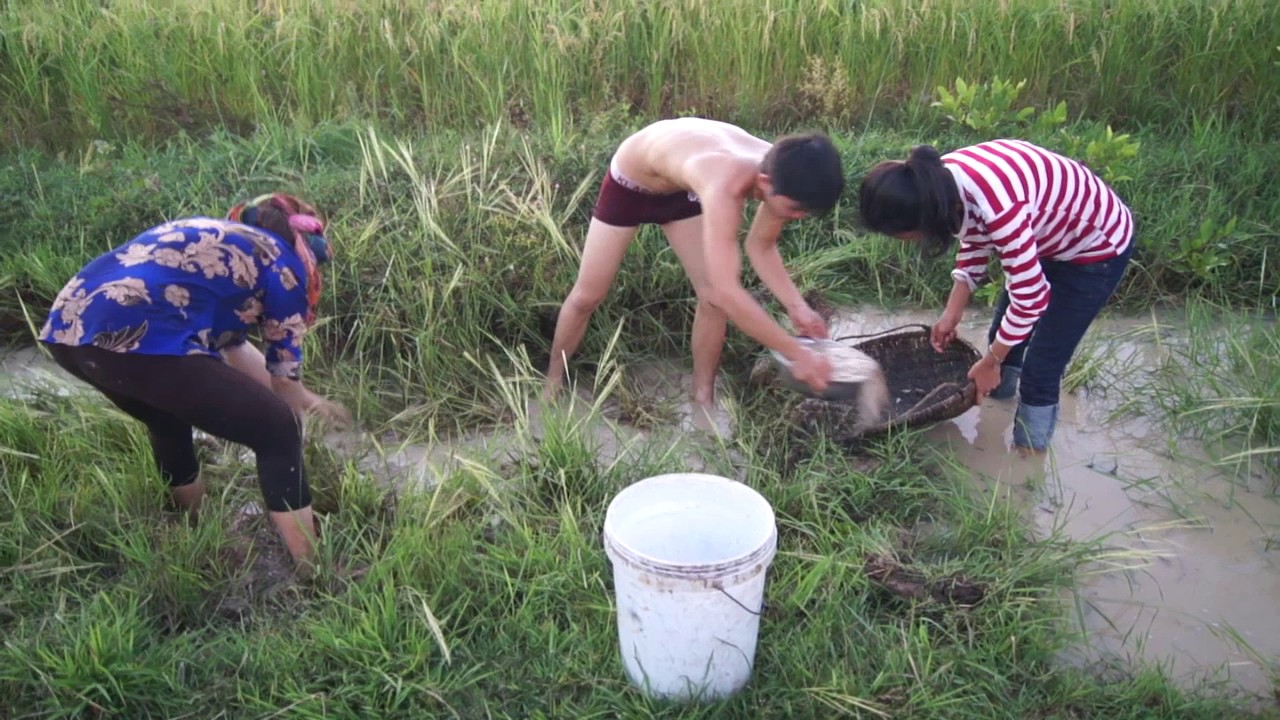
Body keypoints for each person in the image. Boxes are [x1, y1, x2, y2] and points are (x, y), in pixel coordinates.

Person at [37, 193, 352, 569]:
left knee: (167, 416)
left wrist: (309, 400)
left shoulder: (221, 240)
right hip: (139, 337)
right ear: (306, 250)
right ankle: (313, 567)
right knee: (276, 429)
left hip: (67, 333)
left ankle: (196, 525)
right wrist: (297, 426)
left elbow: (236, 349)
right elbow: (283, 383)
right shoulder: (285, 266)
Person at [544, 117, 846, 420]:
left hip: (684, 189)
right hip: (632, 183)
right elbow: (729, 291)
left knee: (711, 298)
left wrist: (797, 307)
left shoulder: (787, 174)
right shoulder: (727, 183)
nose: (799, 216)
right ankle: (553, 381)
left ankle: (703, 397)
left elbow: (761, 246)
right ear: (766, 184)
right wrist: (797, 354)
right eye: (795, 209)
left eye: (807, 211)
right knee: (588, 296)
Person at [858, 139, 1134, 453]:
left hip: (1097, 248)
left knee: (1042, 366)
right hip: (1046, 234)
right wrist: (952, 312)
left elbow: (1030, 301)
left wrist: (991, 361)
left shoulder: (999, 207)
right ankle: (997, 400)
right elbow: (975, 235)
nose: (903, 242)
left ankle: (1028, 459)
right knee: (1002, 333)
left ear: (925, 218)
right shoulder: (936, 182)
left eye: (902, 235)